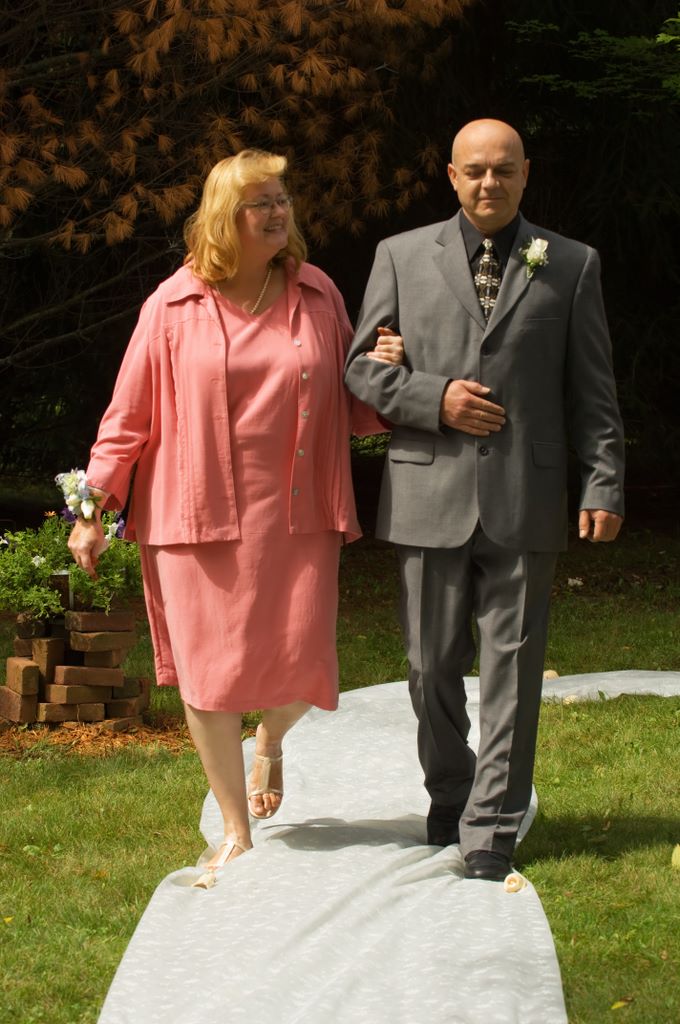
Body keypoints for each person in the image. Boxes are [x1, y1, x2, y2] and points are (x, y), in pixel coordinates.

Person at [66, 149, 399, 888]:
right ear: (226, 217)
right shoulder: (172, 306)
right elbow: (127, 417)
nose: (279, 213)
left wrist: (391, 378)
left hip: (299, 511)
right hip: (194, 517)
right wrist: (92, 509)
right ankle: (235, 830)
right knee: (209, 679)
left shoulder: (316, 292)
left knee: (305, 667)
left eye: (283, 200)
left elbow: (355, 398)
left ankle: (270, 740)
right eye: (261, 204)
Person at [344, 119, 625, 882]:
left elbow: (593, 389)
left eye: (503, 170)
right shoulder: (400, 256)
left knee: (515, 671)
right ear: (451, 176)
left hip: (526, 495)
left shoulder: (570, 263)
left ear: (526, 173)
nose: (489, 182)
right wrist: (435, 398)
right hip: (427, 491)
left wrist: (603, 479)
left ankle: (492, 827)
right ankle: (451, 792)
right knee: (428, 666)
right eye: (475, 171)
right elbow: (362, 369)